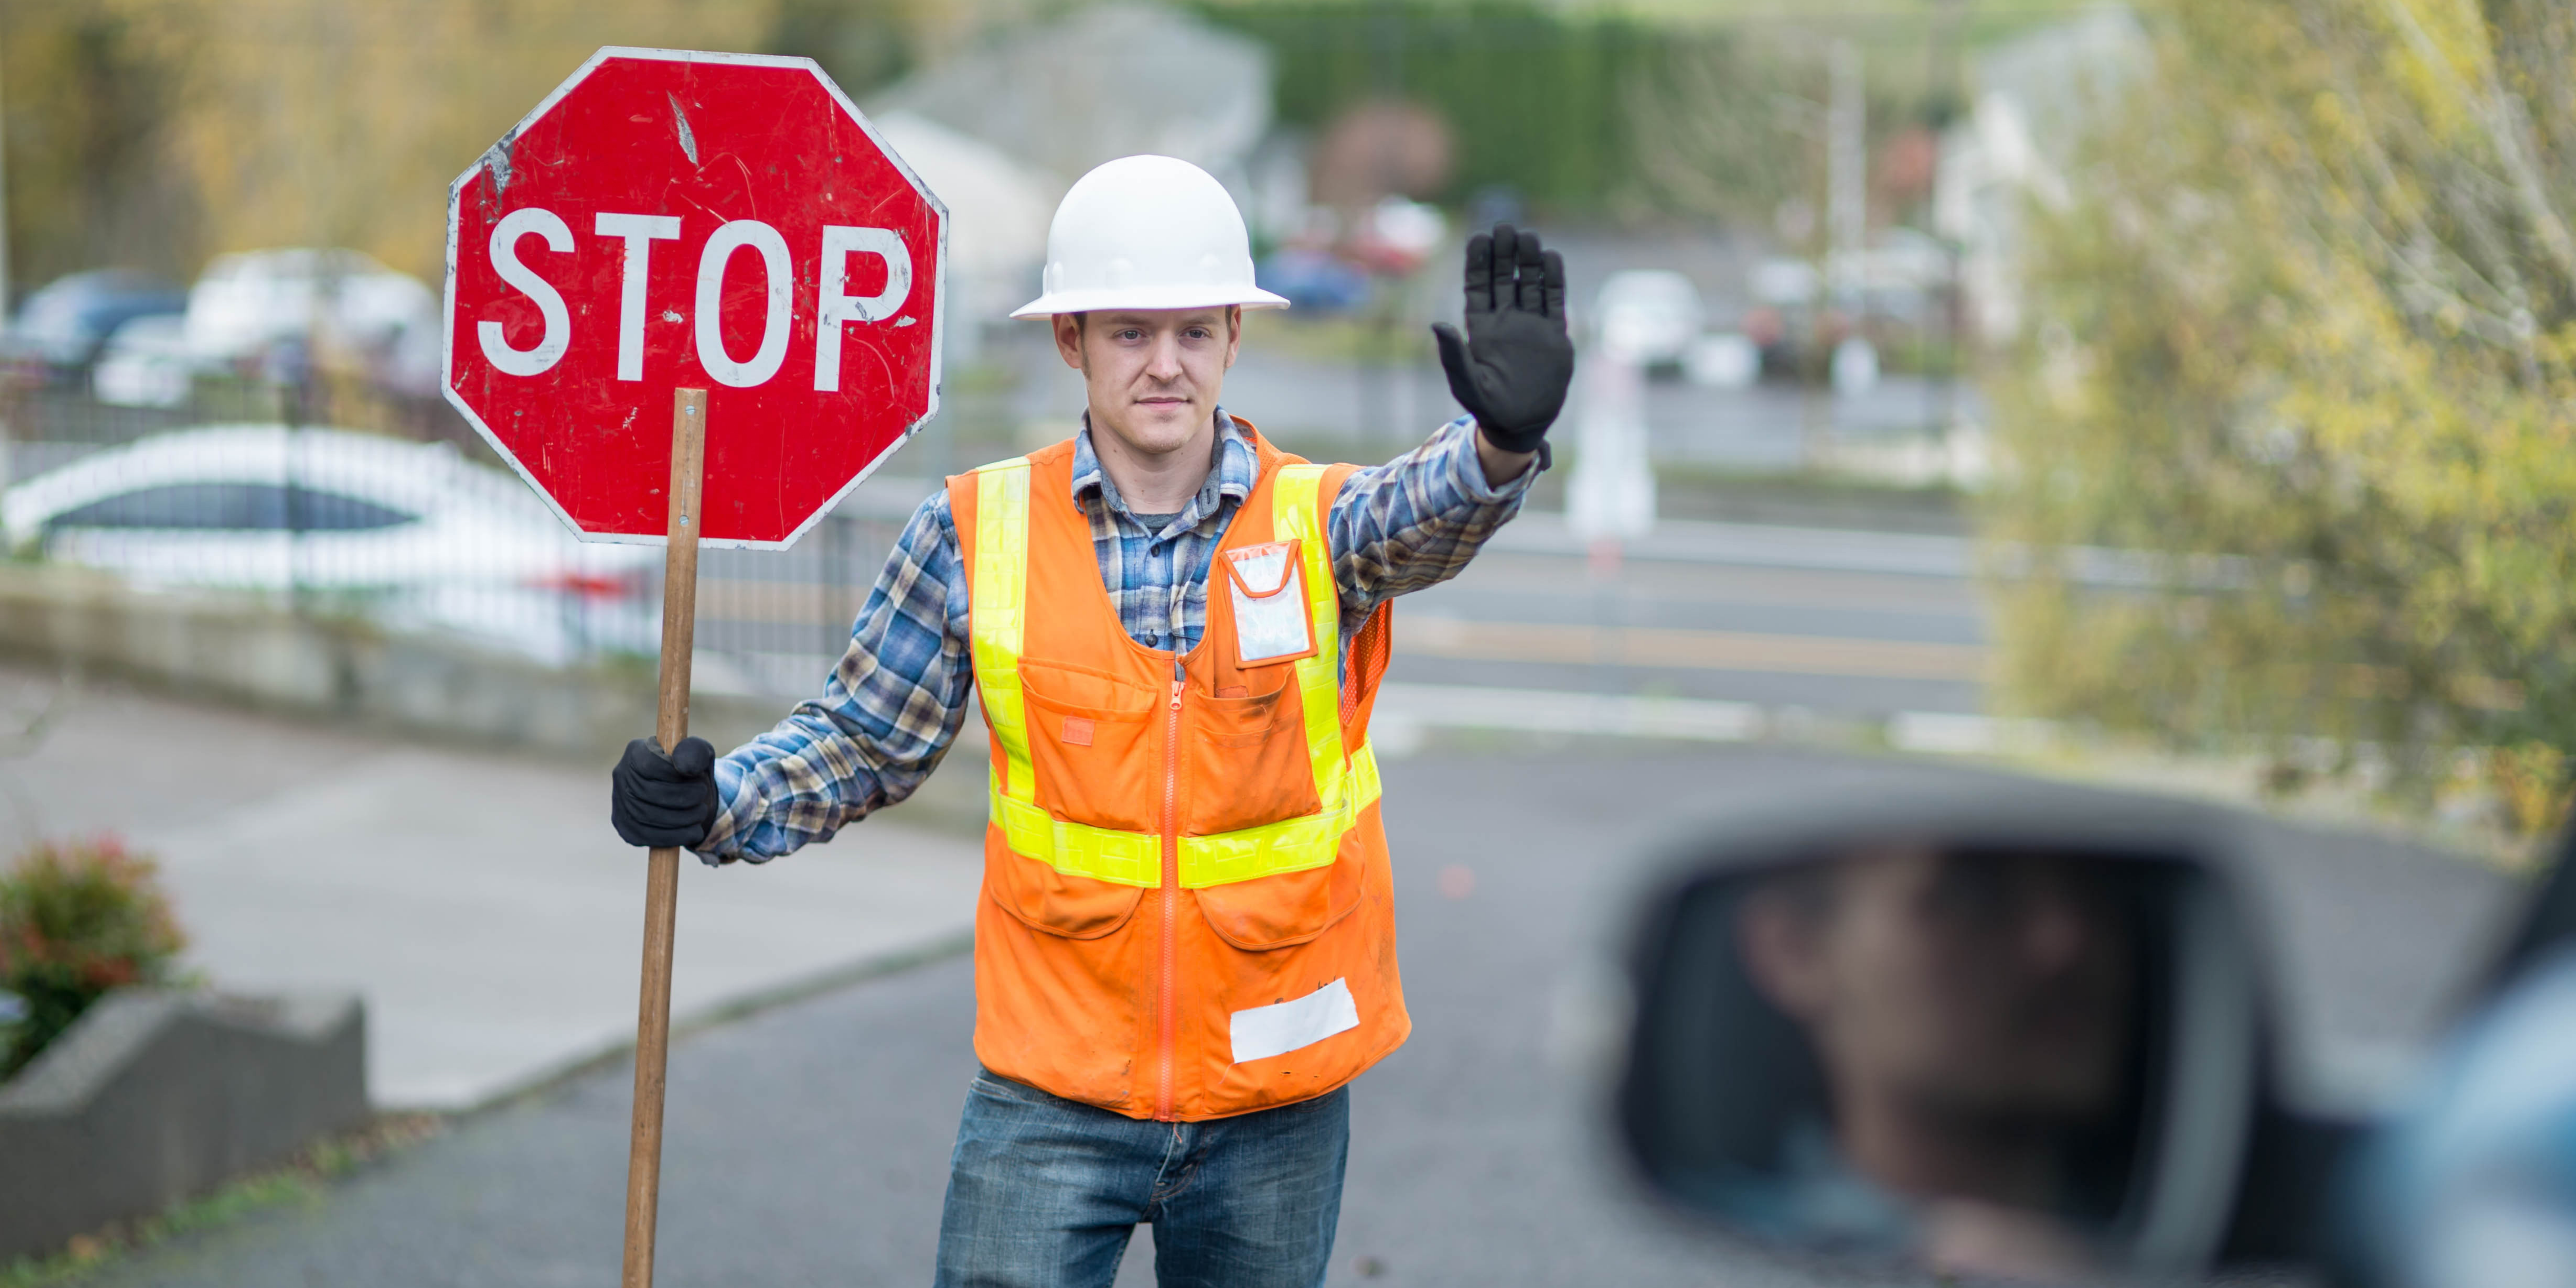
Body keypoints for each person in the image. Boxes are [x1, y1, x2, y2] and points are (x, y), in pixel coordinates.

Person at [606, 154, 1574, 1288]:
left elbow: (1429, 506)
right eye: (1128, 333)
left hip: (1275, 1096)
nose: (1165, 365)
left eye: (1193, 333)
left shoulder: (1320, 526)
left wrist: (1502, 445)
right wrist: (720, 802)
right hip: (1051, 1094)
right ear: (1071, 341)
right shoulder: (977, 530)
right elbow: (866, 736)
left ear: (1231, 337)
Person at [1731, 843, 2140, 1281]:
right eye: (1971, 893)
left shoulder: (2178, 1230)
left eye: (2093, 888)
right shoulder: (1720, 1252)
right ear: (1793, 952)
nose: (2066, 941)